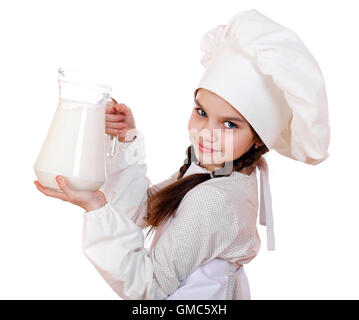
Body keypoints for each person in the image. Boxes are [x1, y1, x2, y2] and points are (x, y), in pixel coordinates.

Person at [34, 9, 330, 299]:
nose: (206, 133)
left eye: (230, 124)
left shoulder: (214, 198)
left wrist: (97, 208)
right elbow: (148, 210)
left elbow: (150, 289)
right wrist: (126, 139)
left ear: (257, 139)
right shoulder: (219, 169)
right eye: (201, 112)